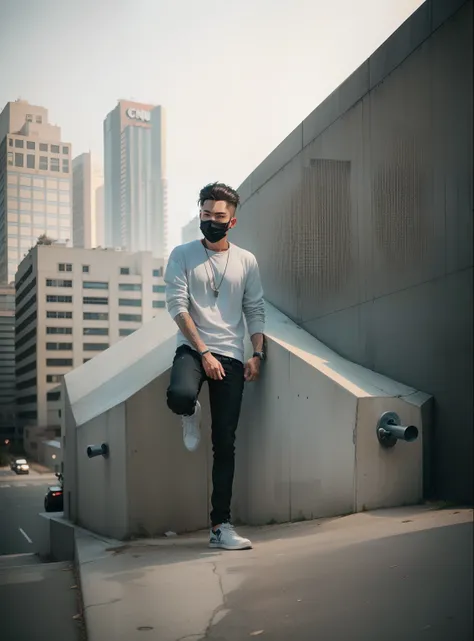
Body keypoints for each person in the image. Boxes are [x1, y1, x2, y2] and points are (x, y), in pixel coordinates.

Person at [164, 182, 265, 550]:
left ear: (232, 221)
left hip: (233, 357)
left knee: (225, 442)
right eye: (205, 214)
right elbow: (177, 306)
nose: (210, 221)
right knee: (179, 395)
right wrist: (203, 351)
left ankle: (220, 526)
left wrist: (257, 353)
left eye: (218, 216)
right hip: (194, 349)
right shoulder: (182, 254)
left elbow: (254, 309)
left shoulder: (246, 261)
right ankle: (189, 411)